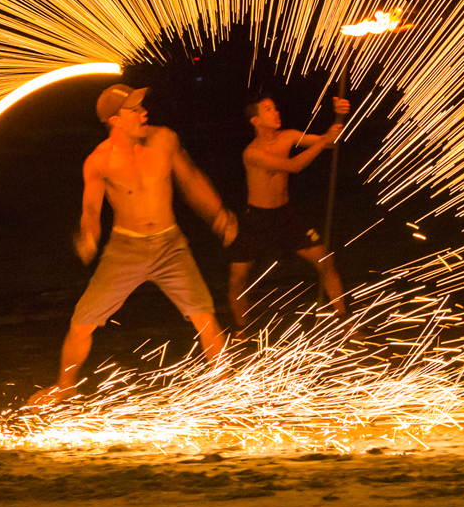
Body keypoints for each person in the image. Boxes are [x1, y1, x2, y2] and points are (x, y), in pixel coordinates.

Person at [26, 84, 237, 408]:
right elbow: (92, 210)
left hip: (170, 245)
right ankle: (64, 387)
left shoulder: (164, 139)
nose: (144, 112)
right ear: (114, 120)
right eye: (134, 109)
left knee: (205, 317)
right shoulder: (99, 161)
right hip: (126, 249)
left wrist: (218, 214)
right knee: (81, 324)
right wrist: (89, 236)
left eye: (142, 106)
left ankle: (227, 389)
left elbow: (191, 178)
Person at [229, 92, 350, 332]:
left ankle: (344, 320)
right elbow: (294, 166)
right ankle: (242, 329)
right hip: (257, 220)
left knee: (325, 260)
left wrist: (339, 114)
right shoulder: (251, 153)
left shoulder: (289, 136)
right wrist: (323, 141)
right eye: (268, 110)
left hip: (285, 217)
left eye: (275, 108)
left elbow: (330, 140)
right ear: (255, 120)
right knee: (237, 278)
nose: (276, 112)